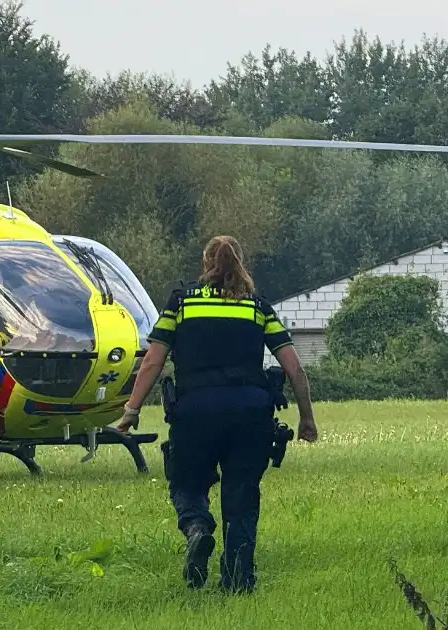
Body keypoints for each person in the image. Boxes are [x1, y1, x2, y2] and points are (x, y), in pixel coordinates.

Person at [114, 235, 318, 593]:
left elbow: (153, 361)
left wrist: (132, 411)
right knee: (241, 495)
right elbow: (294, 368)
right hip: (251, 413)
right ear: (241, 261)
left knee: (188, 482)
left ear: (206, 261)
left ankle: (197, 529)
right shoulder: (257, 306)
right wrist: (307, 418)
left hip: (195, 411)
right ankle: (238, 582)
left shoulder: (182, 304)